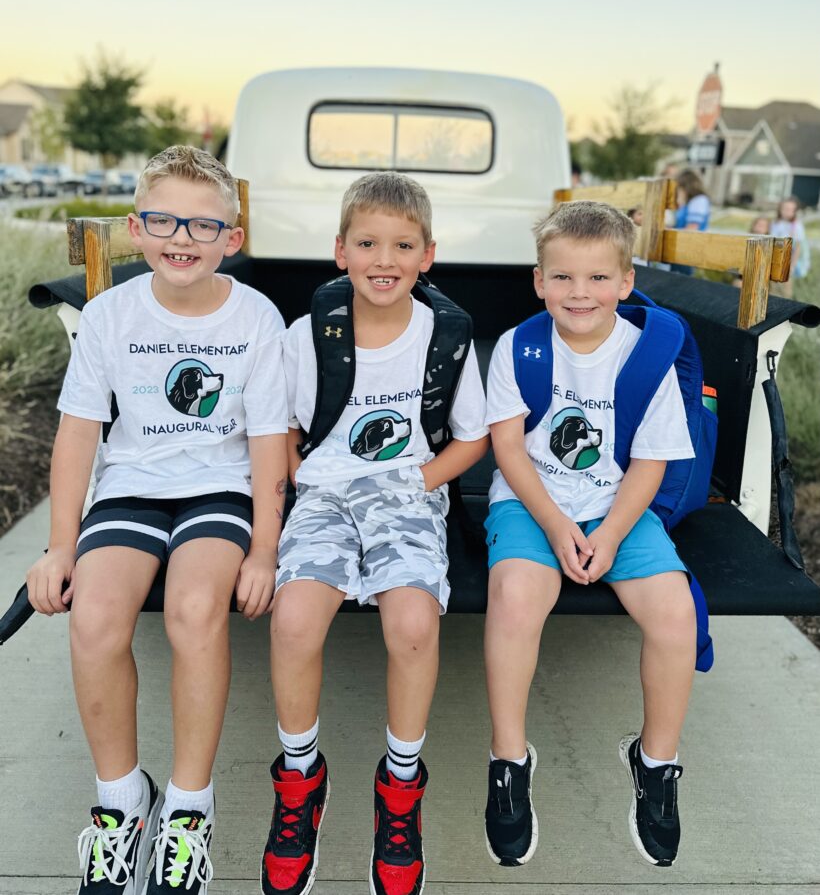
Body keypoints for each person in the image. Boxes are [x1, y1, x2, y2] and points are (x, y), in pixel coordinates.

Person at [26, 146, 289, 895]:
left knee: (194, 607)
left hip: (220, 487)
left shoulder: (256, 317)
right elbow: (80, 431)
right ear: (136, 230)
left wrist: (265, 549)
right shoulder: (110, 313)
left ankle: (188, 810)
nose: (184, 237)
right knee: (97, 619)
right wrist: (58, 546)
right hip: (132, 484)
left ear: (231, 240)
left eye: (204, 225)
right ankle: (123, 802)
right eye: (166, 220)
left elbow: (270, 441)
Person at [262, 172, 489, 895]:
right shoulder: (310, 337)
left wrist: (417, 483)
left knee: (414, 622)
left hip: (408, 495)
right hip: (326, 492)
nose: (382, 258)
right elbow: (287, 431)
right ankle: (300, 776)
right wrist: (303, 485)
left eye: (401, 244)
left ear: (428, 254)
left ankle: (400, 785)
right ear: (339, 251)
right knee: (294, 619)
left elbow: (471, 438)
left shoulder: (446, 336)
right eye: (366, 242)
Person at [482, 200, 697, 869]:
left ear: (626, 282)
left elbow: (651, 462)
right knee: (516, 600)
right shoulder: (519, 347)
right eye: (564, 277)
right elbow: (509, 451)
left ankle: (656, 761)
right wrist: (554, 523)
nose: (581, 293)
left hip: (619, 506)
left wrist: (606, 534)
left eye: (599, 278)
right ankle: (509, 760)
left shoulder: (647, 353)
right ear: (539, 280)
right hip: (531, 499)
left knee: (674, 614)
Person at [672, 170, 711, 275]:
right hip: (680, 249)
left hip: (689, 250)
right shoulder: (689, 202)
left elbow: (692, 228)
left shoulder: (699, 201)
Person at [771, 197, 810, 299]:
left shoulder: (796, 226)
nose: (787, 211)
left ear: (795, 211)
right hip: (774, 260)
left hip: (788, 261)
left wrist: (792, 265)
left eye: (790, 209)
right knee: (773, 287)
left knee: (785, 288)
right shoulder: (775, 223)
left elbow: (798, 247)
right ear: (780, 209)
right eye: (784, 208)